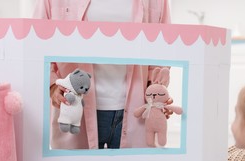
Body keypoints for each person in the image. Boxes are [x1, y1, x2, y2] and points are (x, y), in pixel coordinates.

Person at [33, 0, 172, 149]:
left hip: (137, 112)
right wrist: (53, 85)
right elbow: (34, 43)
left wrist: (157, 94)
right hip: (74, 110)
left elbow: (163, 48)